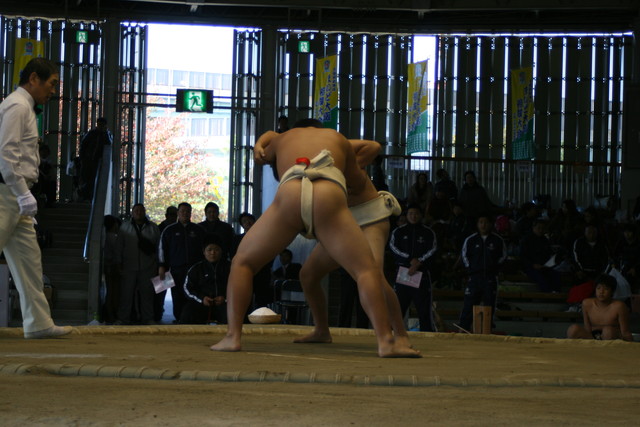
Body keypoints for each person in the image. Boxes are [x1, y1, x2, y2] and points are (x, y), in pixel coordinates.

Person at [211, 119, 419, 357]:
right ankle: (371, 339)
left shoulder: (286, 139)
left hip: (365, 216)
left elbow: (264, 150)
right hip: (333, 206)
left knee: (242, 262)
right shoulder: (337, 141)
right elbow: (355, 176)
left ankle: (232, 336)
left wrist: (261, 143)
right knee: (332, 274)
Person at [0, 57, 72, 339]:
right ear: (33, 79)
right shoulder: (17, 106)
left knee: (30, 262)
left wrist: (24, 195)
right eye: (51, 83)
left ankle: (39, 322)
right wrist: (22, 194)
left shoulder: (25, 107)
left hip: (17, 195)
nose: (53, 90)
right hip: (7, 193)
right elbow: (6, 156)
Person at [389, 204, 438, 332]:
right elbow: (393, 248)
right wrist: (410, 260)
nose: (413, 216)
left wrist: (418, 263)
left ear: (421, 215)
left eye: (416, 213)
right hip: (403, 273)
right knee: (398, 307)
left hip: (421, 274)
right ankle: (392, 334)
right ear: (406, 215)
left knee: (424, 309)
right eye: (410, 213)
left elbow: (433, 250)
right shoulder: (398, 231)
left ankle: (428, 335)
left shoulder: (428, 232)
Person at [458, 213, 507, 332]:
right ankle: (463, 329)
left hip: (490, 278)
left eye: (486, 222)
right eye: (481, 222)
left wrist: (494, 268)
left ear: (490, 224)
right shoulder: (470, 240)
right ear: (477, 224)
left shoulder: (497, 240)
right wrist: (471, 269)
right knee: (469, 304)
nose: (483, 225)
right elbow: (464, 256)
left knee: (489, 305)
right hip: (474, 277)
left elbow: (503, 256)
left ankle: (487, 330)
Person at [158, 202, 206, 322]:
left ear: (191, 213)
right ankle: (179, 319)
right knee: (177, 295)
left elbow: (205, 249)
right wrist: (162, 266)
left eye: (187, 211)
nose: (185, 213)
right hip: (176, 269)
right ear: (178, 213)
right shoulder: (169, 230)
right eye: (182, 211)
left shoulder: (198, 230)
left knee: (194, 294)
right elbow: (162, 249)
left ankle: (193, 320)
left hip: (195, 269)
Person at [114, 203, 160, 325]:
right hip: (128, 266)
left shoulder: (153, 228)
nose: (139, 213)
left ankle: (148, 318)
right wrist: (118, 262)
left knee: (147, 294)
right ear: (132, 213)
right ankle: (123, 318)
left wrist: (159, 264)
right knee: (126, 294)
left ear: (145, 212)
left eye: (141, 210)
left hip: (148, 266)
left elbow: (159, 247)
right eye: (136, 211)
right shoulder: (125, 227)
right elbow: (119, 246)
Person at [566, 274, 632, 341]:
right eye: (598, 288)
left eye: (606, 289)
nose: (601, 292)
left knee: (608, 331)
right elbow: (587, 328)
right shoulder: (587, 304)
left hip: (612, 338)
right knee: (573, 329)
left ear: (612, 291)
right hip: (593, 337)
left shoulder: (619, 306)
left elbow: (625, 332)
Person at [179, 238, 229, 324]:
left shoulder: (230, 267)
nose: (212, 253)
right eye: (209, 250)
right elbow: (187, 288)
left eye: (216, 249)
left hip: (224, 303)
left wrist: (225, 298)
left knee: (235, 315)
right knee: (188, 314)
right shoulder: (196, 268)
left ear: (221, 251)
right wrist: (202, 298)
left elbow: (239, 288)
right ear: (204, 252)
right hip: (201, 303)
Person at [231, 211, 274, 309]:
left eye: (249, 220)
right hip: (244, 272)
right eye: (244, 221)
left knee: (261, 302)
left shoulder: (264, 237)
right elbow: (234, 255)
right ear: (242, 225)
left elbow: (271, 253)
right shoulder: (237, 239)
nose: (248, 222)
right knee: (245, 300)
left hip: (262, 272)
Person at [519, 219, 561, 292]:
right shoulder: (526, 239)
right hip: (530, 267)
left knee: (555, 275)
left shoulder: (545, 240)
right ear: (533, 228)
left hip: (543, 266)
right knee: (540, 278)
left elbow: (548, 253)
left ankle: (556, 293)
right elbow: (522, 256)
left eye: (542, 228)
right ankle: (547, 293)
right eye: (539, 228)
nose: (541, 230)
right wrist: (532, 265)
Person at [78, 117, 112, 201]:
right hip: (89, 160)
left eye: (102, 125)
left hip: (96, 161)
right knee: (88, 178)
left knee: (92, 179)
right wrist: (82, 158)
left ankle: (88, 196)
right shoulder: (92, 134)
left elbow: (109, 144)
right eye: (99, 125)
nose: (100, 126)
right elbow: (83, 145)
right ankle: (86, 195)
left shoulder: (104, 135)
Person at [154, 205, 178, 321]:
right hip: (163, 265)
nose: (173, 217)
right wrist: (161, 265)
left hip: (176, 265)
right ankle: (158, 313)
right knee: (160, 292)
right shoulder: (160, 229)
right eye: (171, 215)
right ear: (166, 215)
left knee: (177, 293)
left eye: (175, 215)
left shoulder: (178, 228)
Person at [102, 214, 122, 324]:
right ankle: (111, 315)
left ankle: (109, 315)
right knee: (113, 292)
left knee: (110, 292)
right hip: (113, 266)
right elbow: (118, 252)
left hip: (108, 266)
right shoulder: (113, 237)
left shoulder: (105, 236)